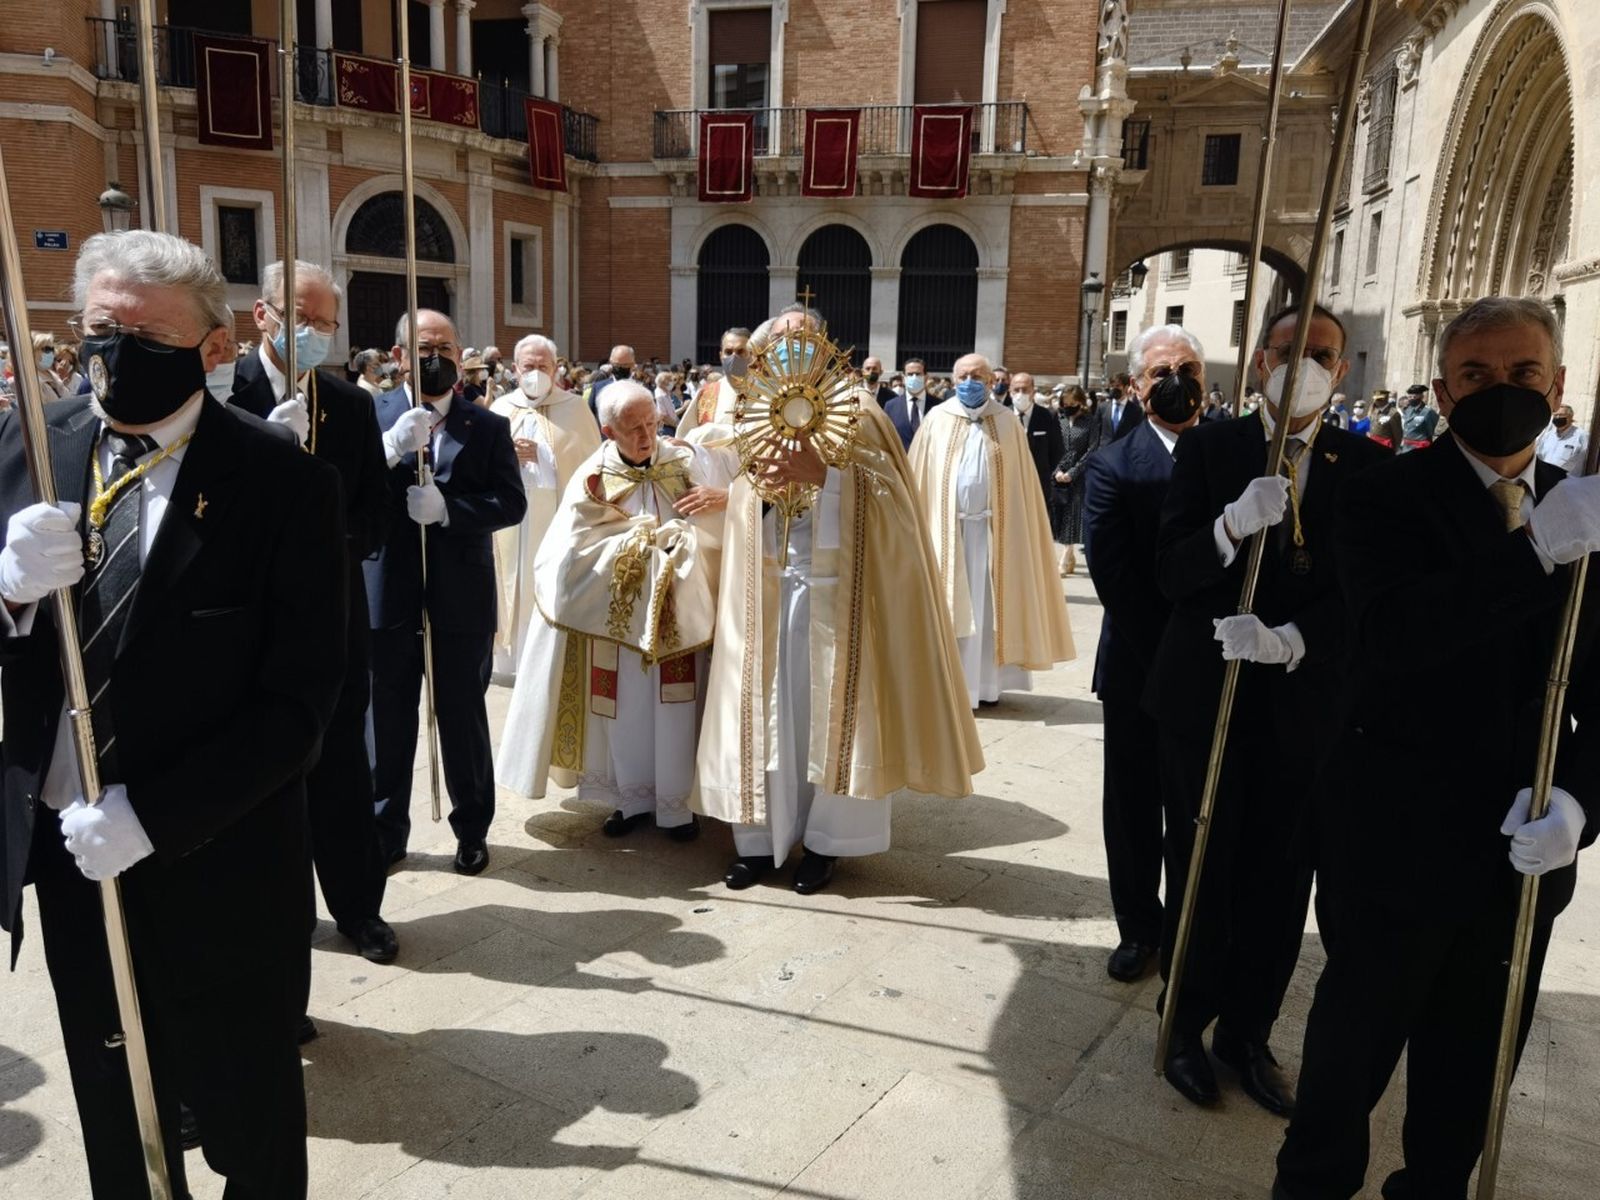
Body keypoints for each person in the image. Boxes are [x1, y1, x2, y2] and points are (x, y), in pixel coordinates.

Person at [0, 229, 347, 1197]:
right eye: (100, 328)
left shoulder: (283, 484)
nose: (114, 353)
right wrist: (8, 591)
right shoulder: (34, 439)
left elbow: (299, 708)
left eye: (145, 334)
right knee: (120, 1125)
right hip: (72, 861)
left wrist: (152, 816)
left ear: (213, 344)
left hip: (220, 862)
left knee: (252, 1131)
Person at [1274, 297, 1600, 1200]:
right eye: (1477, 376)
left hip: (1523, 850)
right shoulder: (1387, 493)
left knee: (1466, 1084)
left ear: (1559, 384)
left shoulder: (1584, 510)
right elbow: (1392, 637)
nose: (1503, 391)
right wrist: (1535, 552)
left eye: (1524, 374)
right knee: (1345, 1075)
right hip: (1392, 842)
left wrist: (1578, 800)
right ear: (1443, 392)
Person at [1148, 304, 1387, 1116]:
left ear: (1343, 369)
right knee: (1202, 863)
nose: (1304, 366)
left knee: (1282, 881)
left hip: (1304, 704)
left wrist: (1292, 637)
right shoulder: (1211, 448)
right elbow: (1170, 571)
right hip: (1205, 698)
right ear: (1258, 363)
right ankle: (1182, 1021)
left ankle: (1245, 1032)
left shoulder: (1365, 465)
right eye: (1288, 351)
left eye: (1320, 354)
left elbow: (1369, 594)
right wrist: (1227, 527)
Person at [693, 306, 982, 894]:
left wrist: (827, 476)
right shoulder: (753, 410)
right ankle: (759, 840)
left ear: (825, 345)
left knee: (829, 720)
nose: (793, 347)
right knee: (766, 716)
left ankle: (828, 843)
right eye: (782, 340)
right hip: (767, 592)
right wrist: (759, 493)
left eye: (805, 337)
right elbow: (750, 499)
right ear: (766, 351)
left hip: (837, 598)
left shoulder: (861, 410)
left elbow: (895, 507)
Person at [231, 259, 398, 969]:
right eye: (301, 317)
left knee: (341, 774)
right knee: (264, 785)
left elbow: (373, 516)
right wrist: (260, 443)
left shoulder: (350, 406)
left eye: (326, 322)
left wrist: (321, 541)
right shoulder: (219, 393)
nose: (315, 332)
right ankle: (278, 923)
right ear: (262, 315)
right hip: (244, 629)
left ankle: (359, 908)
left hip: (331, 616)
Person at [497, 383, 726, 838]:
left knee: (678, 707)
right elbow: (567, 555)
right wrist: (637, 543)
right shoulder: (593, 478)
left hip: (679, 618)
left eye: (652, 424)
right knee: (623, 712)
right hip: (616, 624)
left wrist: (685, 542)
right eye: (634, 428)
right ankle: (630, 800)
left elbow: (718, 529)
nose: (647, 435)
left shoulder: (683, 462)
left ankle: (679, 807)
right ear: (607, 430)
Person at [367, 309, 527, 876]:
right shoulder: (371, 413)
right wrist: (386, 450)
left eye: (446, 346)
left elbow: (512, 502)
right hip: (389, 588)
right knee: (386, 716)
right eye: (424, 347)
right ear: (400, 356)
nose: (436, 355)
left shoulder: (485, 426)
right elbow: (346, 491)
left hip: (461, 592)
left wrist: (450, 512)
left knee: (461, 714)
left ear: (461, 355)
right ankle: (385, 831)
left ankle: (473, 829)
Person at [1083, 323, 1206, 985]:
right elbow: (1116, 578)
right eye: (1160, 372)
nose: (1175, 380)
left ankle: (1190, 923)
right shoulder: (1113, 464)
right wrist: (1176, 653)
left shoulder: (1230, 457)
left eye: (1186, 368)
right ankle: (1139, 927)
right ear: (1135, 386)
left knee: (1196, 805)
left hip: (1217, 664)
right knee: (1133, 807)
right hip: (1138, 663)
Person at [908, 351, 1077, 709]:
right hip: (946, 534)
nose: (970, 382)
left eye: (977, 377)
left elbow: (1022, 488)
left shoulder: (1007, 423)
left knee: (988, 611)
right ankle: (949, 687)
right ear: (953, 382)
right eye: (963, 377)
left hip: (992, 535)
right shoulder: (937, 420)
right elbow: (918, 479)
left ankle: (985, 685)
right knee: (949, 606)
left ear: (991, 382)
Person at [488, 333, 602, 679]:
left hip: (554, 516)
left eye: (543, 366)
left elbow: (590, 465)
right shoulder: (500, 409)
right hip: (509, 517)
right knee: (511, 583)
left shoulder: (575, 408)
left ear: (556, 369)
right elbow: (482, 465)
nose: (535, 372)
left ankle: (547, 656)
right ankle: (509, 660)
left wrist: (544, 455)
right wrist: (507, 454)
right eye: (528, 366)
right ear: (514, 369)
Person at [1013, 370, 1066, 555]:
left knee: (1034, 530)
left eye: (1025, 389)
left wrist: (1047, 476)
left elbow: (1057, 450)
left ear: (1033, 390)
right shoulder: (1002, 415)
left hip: (1038, 484)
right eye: (1016, 389)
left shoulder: (1047, 416)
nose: (1020, 394)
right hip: (1009, 483)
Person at [1052, 384, 1100, 576]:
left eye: (1072, 403)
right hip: (1057, 474)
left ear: (1081, 403)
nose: (1068, 407)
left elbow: (1092, 450)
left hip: (1079, 476)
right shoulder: (1058, 418)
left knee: (1073, 515)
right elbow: (1053, 445)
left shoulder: (1090, 422)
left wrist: (1072, 471)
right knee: (1060, 515)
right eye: (1065, 403)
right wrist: (1057, 470)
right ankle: (1069, 553)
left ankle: (1065, 556)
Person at [675, 328, 749, 435]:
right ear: (720, 356)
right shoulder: (706, 394)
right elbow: (685, 439)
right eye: (728, 352)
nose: (734, 357)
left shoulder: (768, 394)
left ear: (752, 354)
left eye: (740, 351)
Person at [884, 356, 930, 449]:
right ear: (903, 377)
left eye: (918, 374)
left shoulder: (938, 406)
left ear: (926, 377)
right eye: (910, 374)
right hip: (900, 461)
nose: (914, 377)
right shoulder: (891, 406)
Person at [1535, 402, 1588, 476]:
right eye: (1555, 415)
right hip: (1545, 479)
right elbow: (1539, 456)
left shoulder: (1581, 436)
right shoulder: (1548, 435)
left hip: (1567, 482)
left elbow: (1586, 461)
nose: (1558, 418)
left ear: (1570, 417)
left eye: (1561, 415)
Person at [1098, 372, 1144, 443]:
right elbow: (1096, 432)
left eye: (1117, 386)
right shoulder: (1102, 407)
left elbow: (1137, 434)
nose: (1113, 389)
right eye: (1112, 386)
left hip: (1124, 450)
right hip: (1104, 450)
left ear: (1126, 387)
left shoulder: (1136, 410)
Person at [1398, 383, 1438, 452]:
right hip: (1406, 448)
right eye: (1409, 397)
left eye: (1414, 397)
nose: (1411, 399)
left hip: (1419, 449)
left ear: (1421, 397)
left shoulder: (1428, 412)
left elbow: (1430, 432)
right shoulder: (1408, 409)